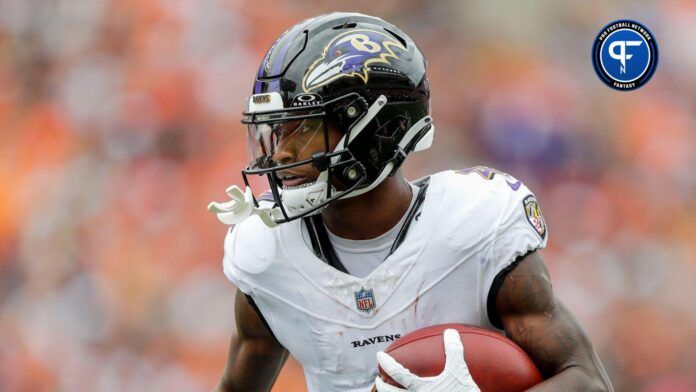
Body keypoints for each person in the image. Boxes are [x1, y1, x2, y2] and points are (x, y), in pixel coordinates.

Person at [208, 12, 612, 392]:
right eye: (278, 133)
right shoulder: (267, 254)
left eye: (304, 130)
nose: (280, 153)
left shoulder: (472, 226)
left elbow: (587, 380)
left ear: (377, 129)